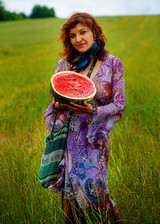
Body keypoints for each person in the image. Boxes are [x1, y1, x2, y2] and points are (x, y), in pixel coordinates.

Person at [44, 12, 125, 223]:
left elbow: (119, 104)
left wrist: (93, 112)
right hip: (69, 140)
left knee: (96, 190)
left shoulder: (113, 63)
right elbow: (54, 101)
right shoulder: (64, 65)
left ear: (94, 33)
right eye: (72, 35)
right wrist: (61, 104)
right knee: (71, 195)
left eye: (83, 32)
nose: (78, 39)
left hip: (95, 138)